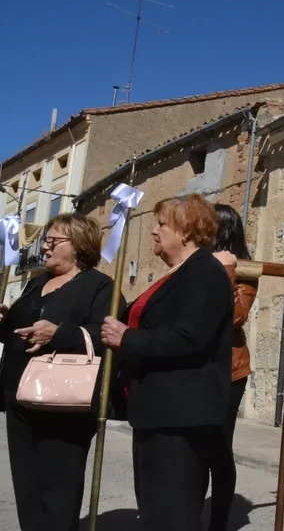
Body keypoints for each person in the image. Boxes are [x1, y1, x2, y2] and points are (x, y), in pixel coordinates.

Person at [101, 194, 234, 531]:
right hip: (156, 412)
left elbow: (190, 336)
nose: (154, 232)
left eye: (162, 224)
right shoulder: (177, 274)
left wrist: (127, 339)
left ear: (186, 231)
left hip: (181, 416)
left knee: (173, 513)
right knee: (156, 509)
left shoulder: (205, 273)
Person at [0, 213, 121, 531]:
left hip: (64, 403)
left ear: (79, 245)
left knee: (58, 492)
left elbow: (106, 334)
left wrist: (60, 334)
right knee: (27, 491)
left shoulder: (100, 287)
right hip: (20, 398)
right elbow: (17, 331)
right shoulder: (35, 283)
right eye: (46, 239)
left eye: (55, 240)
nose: (46, 246)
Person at [205, 203, 257, 531]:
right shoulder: (197, 265)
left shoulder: (244, 270)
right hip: (196, 369)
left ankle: (218, 523)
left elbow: (236, 316)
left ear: (222, 230)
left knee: (219, 449)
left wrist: (225, 270)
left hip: (228, 371)